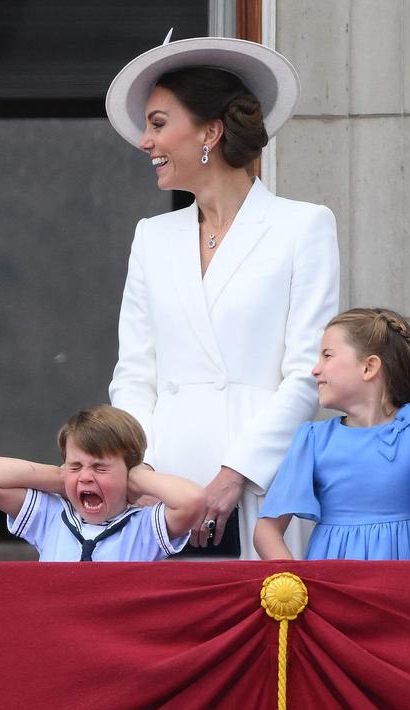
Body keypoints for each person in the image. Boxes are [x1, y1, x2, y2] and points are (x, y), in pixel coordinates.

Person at [105, 35, 340, 559]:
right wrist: (141, 473)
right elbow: (134, 374)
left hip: (263, 484)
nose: (145, 141)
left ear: (210, 130)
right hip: (161, 492)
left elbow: (307, 371)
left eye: (159, 123)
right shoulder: (152, 236)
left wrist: (237, 473)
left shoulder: (303, 227)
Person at [253, 309, 410, 561]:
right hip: (332, 590)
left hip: (401, 590)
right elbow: (267, 529)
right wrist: (298, 586)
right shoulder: (313, 439)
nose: (315, 369)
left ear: (369, 367)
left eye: (327, 356)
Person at [0, 405, 204, 561]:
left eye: (100, 467)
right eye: (75, 466)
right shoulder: (51, 518)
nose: (86, 477)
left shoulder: (143, 528)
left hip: (116, 634)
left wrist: (137, 478)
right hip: (56, 633)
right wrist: (61, 479)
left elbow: (192, 500)